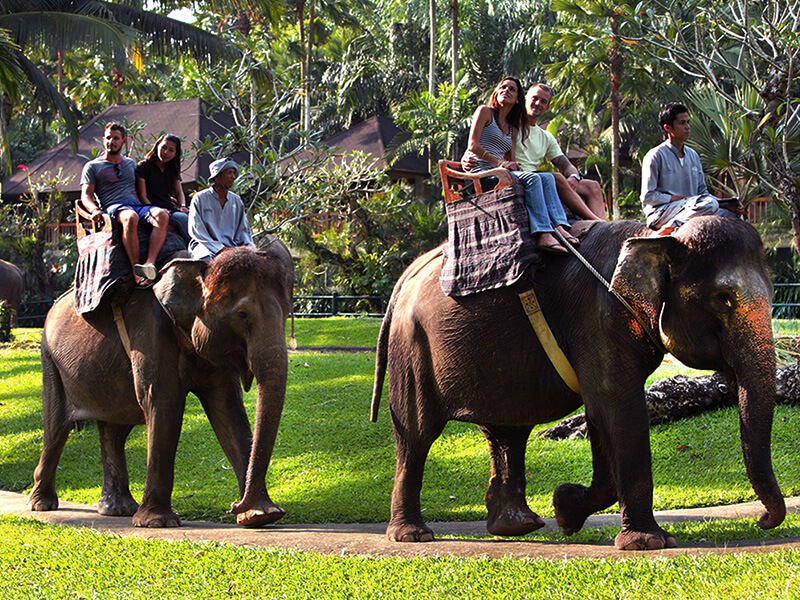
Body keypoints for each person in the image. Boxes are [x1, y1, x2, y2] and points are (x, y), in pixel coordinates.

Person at [461, 76, 577, 254]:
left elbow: (511, 159)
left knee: (545, 177)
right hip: (481, 173)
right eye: (503, 87)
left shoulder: (511, 127)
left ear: (517, 100)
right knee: (532, 179)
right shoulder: (485, 112)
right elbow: (473, 146)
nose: (506, 90)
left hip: (500, 172)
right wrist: (500, 163)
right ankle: (543, 233)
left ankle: (560, 227)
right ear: (497, 91)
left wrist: (512, 165)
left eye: (512, 89)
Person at [80, 122, 170, 287]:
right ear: (103, 140)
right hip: (113, 206)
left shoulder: (129, 163)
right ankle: (137, 272)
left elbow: (141, 190)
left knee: (162, 215)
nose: (111, 142)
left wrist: (168, 201)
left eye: (115, 138)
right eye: (108, 138)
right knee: (130, 217)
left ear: (123, 141)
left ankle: (149, 264)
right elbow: (85, 195)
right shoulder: (92, 166)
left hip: (135, 204)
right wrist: (94, 209)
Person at [641, 102, 744, 234]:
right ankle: (669, 229)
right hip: (662, 212)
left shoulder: (693, 155)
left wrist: (726, 204)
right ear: (668, 128)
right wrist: (682, 198)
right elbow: (648, 197)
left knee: (734, 215)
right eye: (682, 123)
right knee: (709, 204)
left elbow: (702, 192)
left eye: (688, 122)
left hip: (693, 207)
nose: (687, 127)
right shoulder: (655, 155)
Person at [515, 83, 606, 221]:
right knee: (556, 177)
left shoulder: (546, 137)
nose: (538, 103)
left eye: (543, 101)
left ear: (547, 108)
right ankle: (595, 221)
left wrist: (574, 177)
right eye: (534, 98)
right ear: (525, 99)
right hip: (519, 177)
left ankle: (605, 228)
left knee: (592, 186)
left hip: (540, 180)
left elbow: (567, 166)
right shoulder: (511, 126)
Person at [188, 158, 255, 262]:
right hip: (204, 245)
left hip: (231, 246)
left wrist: (250, 248)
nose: (233, 177)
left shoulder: (236, 200)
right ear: (217, 177)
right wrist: (220, 249)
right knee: (204, 260)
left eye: (233, 173)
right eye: (229, 173)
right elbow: (197, 230)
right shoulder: (200, 198)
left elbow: (243, 230)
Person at [135, 133, 190, 245]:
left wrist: (182, 206)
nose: (165, 152)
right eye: (163, 147)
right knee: (183, 219)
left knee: (195, 217)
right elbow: (142, 196)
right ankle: (197, 248)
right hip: (152, 210)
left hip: (170, 208)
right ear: (157, 146)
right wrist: (156, 210)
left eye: (171, 150)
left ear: (175, 154)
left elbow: (179, 192)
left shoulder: (172, 169)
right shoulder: (144, 167)